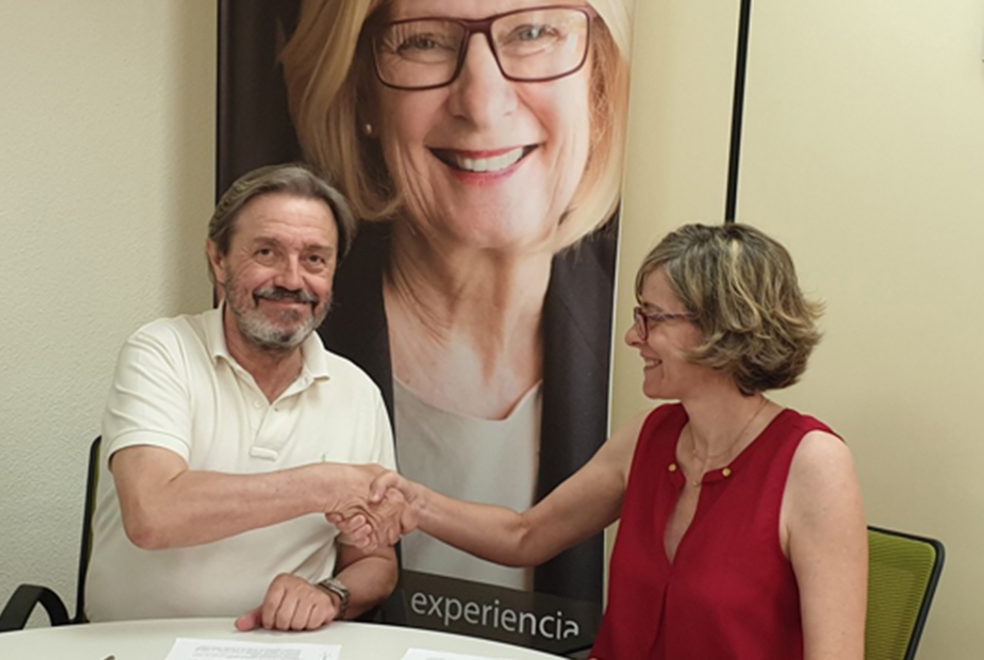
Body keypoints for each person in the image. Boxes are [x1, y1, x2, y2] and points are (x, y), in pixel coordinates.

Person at [341, 223, 869, 659]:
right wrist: (415, 504)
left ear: (721, 328)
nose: (634, 336)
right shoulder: (650, 436)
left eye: (652, 318)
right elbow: (526, 535)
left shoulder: (812, 463)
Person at [279, 0, 632, 600]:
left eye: (533, 32)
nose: (482, 103)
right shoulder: (280, 340)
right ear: (362, 94)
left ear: (598, 83)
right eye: (423, 42)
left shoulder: (665, 356)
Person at [84, 163, 408, 631]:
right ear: (219, 259)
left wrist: (331, 594)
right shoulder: (161, 352)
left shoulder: (357, 393)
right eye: (267, 252)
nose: (292, 280)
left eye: (315, 259)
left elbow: (375, 561)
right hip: (138, 645)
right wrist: (323, 485)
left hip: (286, 648)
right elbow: (152, 514)